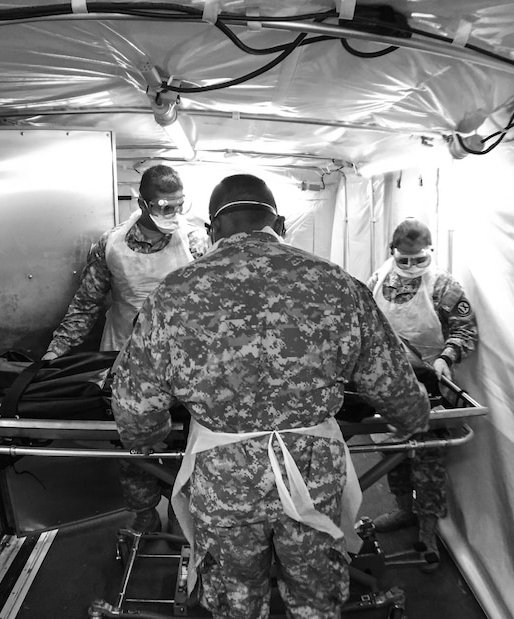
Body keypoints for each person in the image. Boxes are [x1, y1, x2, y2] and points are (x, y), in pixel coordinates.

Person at [111, 174, 431, 618]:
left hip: (223, 477)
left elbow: (134, 410)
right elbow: (396, 390)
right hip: (312, 471)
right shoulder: (337, 284)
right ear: (279, 223)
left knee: (236, 600)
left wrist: (149, 440)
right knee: (316, 597)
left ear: (211, 231)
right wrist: (416, 420)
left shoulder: (174, 294)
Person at [43, 164, 209, 534]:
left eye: (178, 206)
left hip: (183, 359)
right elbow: (86, 304)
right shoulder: (111, 245)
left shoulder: (195, 241)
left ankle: (186, 510)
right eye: (164, 206)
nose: (172, 215)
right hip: (125, 356)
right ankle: (144, 512)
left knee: (188, 439)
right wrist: (55, 353)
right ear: (142, 202)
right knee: (135, 446)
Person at [366, 217, 478, 572]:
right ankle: (403, 508)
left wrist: (447, 358)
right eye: (404, 261)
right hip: (388, 381)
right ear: (392, 253)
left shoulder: (443, 286)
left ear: (429, 252)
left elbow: (465, 331)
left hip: (430, 381)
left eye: (419, 260)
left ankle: (428, 530)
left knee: (427, 458)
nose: (412, 267)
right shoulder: (378, 279)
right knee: (392, 451)